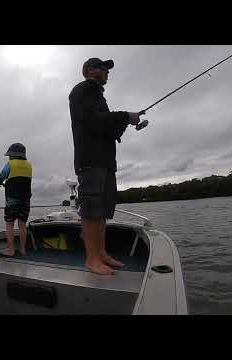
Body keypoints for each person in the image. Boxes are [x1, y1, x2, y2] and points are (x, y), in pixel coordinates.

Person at [68, 57, 142, 275]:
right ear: (90, 70)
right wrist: (125, 116)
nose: (107, 72)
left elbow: (108, 129)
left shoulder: (98, 96)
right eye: (103, 68)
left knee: (101, 210)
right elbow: (92, 120)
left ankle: (101, 253)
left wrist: (126, 123)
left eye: (107, 69)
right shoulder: (83, 90)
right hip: (90, 160)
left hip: (106, 162)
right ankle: (91, 259)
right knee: (91, 210)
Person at [0, 143, 33, 256]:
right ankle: (22, 250)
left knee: (9, 224)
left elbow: (0, 178)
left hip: (12, 200)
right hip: (25, 200)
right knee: (22, 225)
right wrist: (6, 184)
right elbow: (19, 181)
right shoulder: (29, 165)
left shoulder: (10, 164)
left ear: (12, 155)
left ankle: (10, 251)